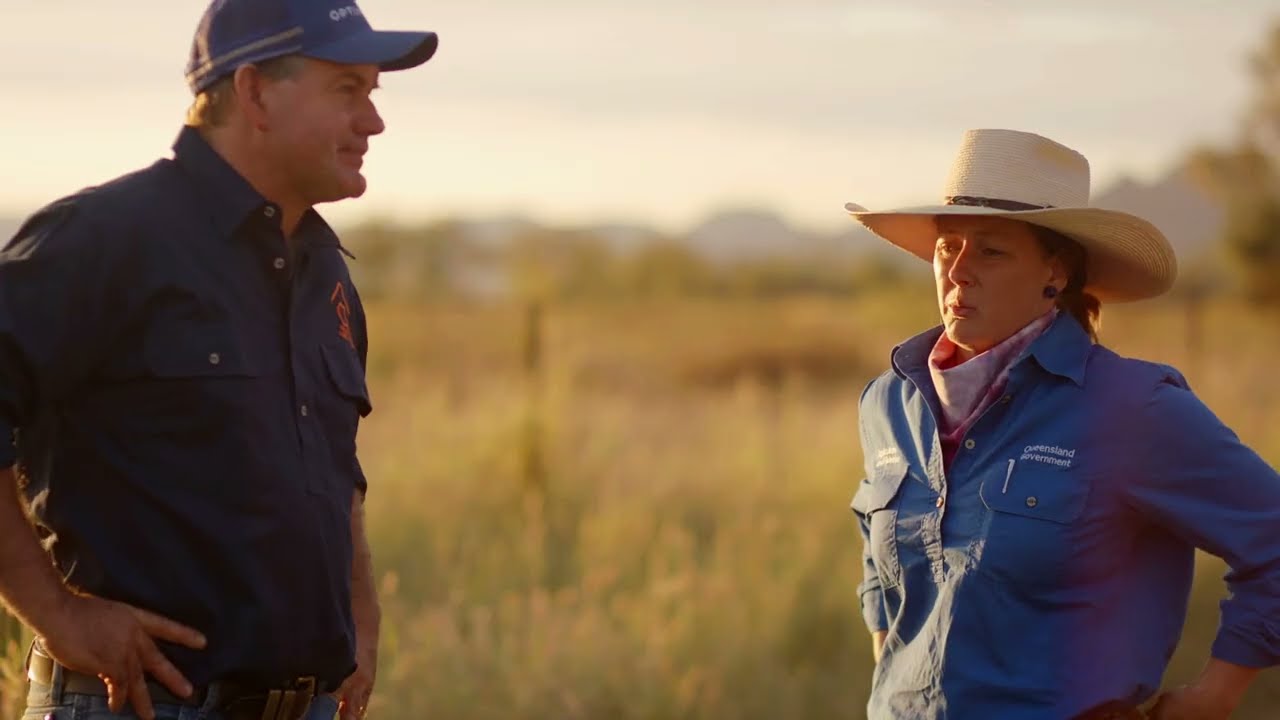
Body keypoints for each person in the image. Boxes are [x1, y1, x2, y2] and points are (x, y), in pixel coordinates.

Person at [0, 2, 437, 719]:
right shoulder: (107, 240)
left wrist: (360, 611)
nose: (373, 123)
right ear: (256, 91)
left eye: (372, 93)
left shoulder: (325, 272)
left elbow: (331, 469)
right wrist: (56, 611)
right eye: (347, 90)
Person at [845, 129, 1280, 719]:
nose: (959, 271)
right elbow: (878, 560)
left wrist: (1216, 694)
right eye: (948, 247)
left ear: (1056, 272)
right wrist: (890, 668)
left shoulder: (1133, 408)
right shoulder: (890, 402)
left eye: (992, 251)